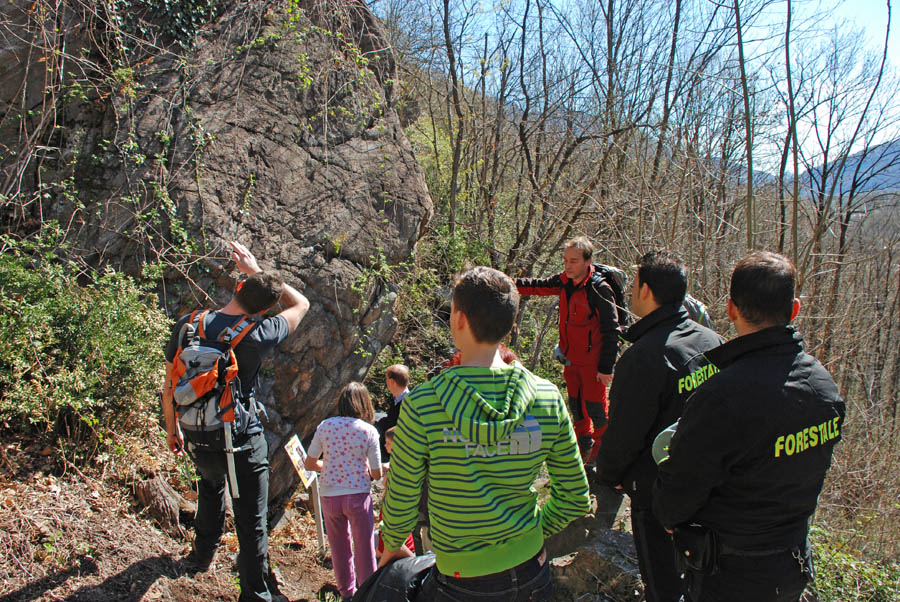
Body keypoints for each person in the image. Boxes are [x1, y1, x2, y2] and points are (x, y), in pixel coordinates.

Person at [379, 266, 591, 601]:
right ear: (510, 323)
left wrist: (391, 547)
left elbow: (402, 499)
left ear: (459, 319)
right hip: (533, 571)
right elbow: (575, 497)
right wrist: (530, 534)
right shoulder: (547, 397)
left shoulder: (423, 405)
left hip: (460, 579)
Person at [653, 251, 846, 602]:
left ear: (730, 309)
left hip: (728, 574)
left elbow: (678, 493)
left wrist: (667, 512)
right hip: (791, 565)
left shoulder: (721, 396)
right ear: (795, 309)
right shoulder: (823, 387)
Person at [162, 241, 309, 602]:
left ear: (238, 288)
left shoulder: (189, 324)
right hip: (240, 439)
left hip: (197, 431)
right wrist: (256, 268)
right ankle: (255, 594)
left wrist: (172, 430)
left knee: (210, 491)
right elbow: (301, 304)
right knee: (251, 518)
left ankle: (200, 559)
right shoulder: (258, 333)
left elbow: (169, 384)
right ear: (266, 310)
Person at [596, 251, 722, 602]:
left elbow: (624, 433)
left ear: (647, 291)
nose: (632, 292)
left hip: (655, 490)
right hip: (707, 486)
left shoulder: (645, 356)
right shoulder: (711, 341)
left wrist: (611, 475)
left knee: (662, 584)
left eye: (635, 285)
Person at [515, 236, 621, 466]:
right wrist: (507, 283)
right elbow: (537, 286)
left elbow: (612, 330)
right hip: (571, 360)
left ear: (587, 261)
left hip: (593, 364)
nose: (567, 265)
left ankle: (602, 451)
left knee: (596, 407)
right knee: (575, 404)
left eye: (573, 261)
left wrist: (606, 368)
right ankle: (584, 445)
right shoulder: (565, 282)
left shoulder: (598, 289)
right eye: (565, 260)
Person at [305, 382, 383, 601]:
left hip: (329, 494)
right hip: (357, 493)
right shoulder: (369, 431)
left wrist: (327, 465)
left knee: (339, 548)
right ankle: (367, 592)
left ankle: (347, 593)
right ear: (365, 403)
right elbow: (376, 473)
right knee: (364, 547)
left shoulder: (325, 426)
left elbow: (310, 463)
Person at [375, 364, 410, 459]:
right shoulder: (395, 398)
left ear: (392, 381)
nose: (385, 381)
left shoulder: (409, 403)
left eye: (386, 378)